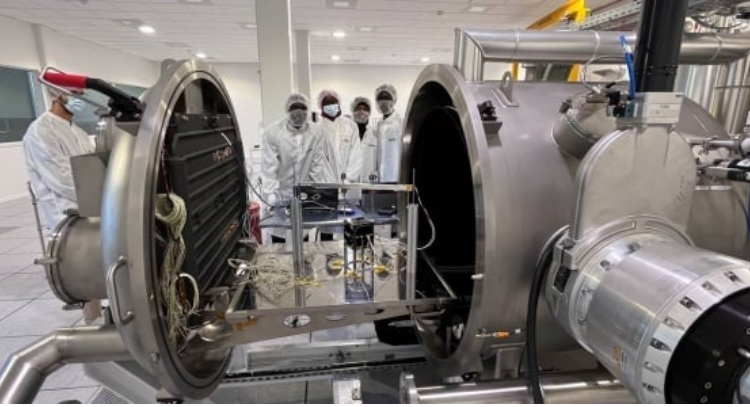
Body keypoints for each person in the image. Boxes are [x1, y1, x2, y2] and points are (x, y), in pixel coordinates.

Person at [260, 93, 331, 242]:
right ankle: (279, 257)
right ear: (287, 110)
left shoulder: (316, 132)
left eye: (302, 108)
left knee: (302, 234)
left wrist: (313, 193)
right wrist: (272, 197)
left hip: (304, 192)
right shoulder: (273, 132)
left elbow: (316, 167)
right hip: (280, 192)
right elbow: (269, 168)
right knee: (278, 234)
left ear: (308, 110)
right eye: (294, 108)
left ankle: (302, 255)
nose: (298, 112)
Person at [23, 89, 93, 230]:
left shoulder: (80, 133)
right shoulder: (41, 130)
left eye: (80, 94)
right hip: (65, 214)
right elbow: (62, 180)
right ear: (56, 94)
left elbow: (92, 167)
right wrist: (100, 196)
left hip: (90, 207)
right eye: (73, 93)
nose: (78, 98)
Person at [317, 89, 361, 184]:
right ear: (321, 107)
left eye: (333, 103)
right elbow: (320, 161)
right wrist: (330, 183)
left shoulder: (350, 125)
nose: (331, 107)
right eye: (327, 104)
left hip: (349, 184)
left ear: (338, 104)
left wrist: (348, 180)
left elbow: (356, 154)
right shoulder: (317, 129)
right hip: (327, 184)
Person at [373, 84, 404, 183]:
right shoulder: (378, 125)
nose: (383, 102)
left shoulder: (401, 124)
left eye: (387, 98)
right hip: (379, 178)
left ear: (394, 100)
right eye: (380, 98)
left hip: (396, 177)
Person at [350, 97, 378, 183]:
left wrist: (376, 180)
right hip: (349, 182)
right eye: (358, 108)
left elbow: (378, 160)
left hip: (369, 181)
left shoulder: (375, 134)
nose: (361, 111)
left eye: (365, 109)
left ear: (369, 113)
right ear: (353, 111)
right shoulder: (346, 133)